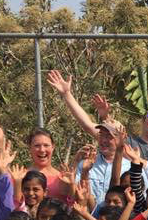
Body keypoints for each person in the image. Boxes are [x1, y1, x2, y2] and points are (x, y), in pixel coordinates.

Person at [45, 70, 132, 200]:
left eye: (109, 136)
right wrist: (66, 94)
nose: (103, 139)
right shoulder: (87, 163)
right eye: (101, 134)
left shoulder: (130, 167)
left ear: (121, 138)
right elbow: (71, 192)